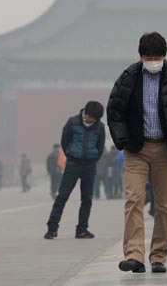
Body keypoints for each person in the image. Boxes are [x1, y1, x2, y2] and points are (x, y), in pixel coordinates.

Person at [107, 32, 167, 274]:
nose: (153, 62)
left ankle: (158, 256)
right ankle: (134, 255)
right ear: (140, 56)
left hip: (165, 149)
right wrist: (123, 140)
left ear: (165, 56)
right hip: (136, 148)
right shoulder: (128, 78)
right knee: (134, 199)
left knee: (165, 205)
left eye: (157, 57)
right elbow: (114, 110)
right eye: (149, 57)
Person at [44, 101, 106, 239]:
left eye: (95, 119)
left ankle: (82, 230)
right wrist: (71, 157)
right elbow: (64, 141)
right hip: (73, 164)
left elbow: (100, 146)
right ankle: (52, 228)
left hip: (90, 166)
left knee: (87, 199)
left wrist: (93, 158)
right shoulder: (73, 122)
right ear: (86, 113)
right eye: (90, 117)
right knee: (62, 196)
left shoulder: (100, 127)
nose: (92, 120)